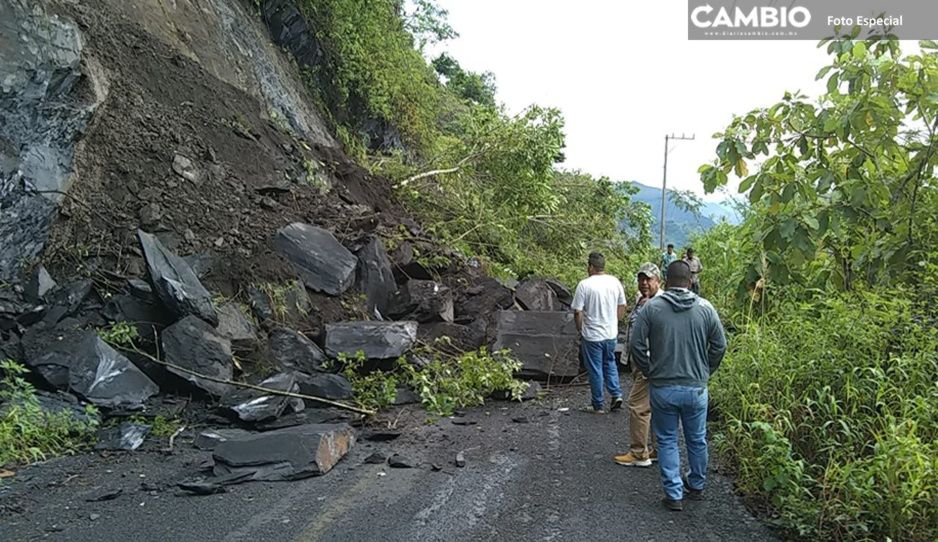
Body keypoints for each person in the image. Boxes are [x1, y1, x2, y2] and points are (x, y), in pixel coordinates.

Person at [629, 260, 726, 512]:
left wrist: (651, 371)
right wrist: (706, 371)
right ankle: (696, 485)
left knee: (668, 440)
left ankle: (673, 493)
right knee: (697, 439)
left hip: (663, 387)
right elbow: (720, 346)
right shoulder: (706, 308)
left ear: (665, 280)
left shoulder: (651, 309)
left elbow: (636, 345)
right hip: (696, 388)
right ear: (690, 281)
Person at [613, 262, 663, 467]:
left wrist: (647, 363)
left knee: (637, 406)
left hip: (649, 363)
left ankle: (638, 453)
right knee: (653, 406)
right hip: (641, 361)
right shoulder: (643, 300)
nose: (644, 283)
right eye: (641, 279)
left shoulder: (659, 304)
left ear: (658, 281)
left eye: (648, 279)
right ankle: (656, 449)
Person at [571, 252, 627, 414]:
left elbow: (577, 311)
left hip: (592, 335)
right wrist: (614, 321)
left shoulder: (584, 285)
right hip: (610, 334)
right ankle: (616, 394)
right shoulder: (614, 282)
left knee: (595, 368)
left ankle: (598, 404)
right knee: (609, 363)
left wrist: (580, 328)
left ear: (590, 267)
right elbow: (622, 305)